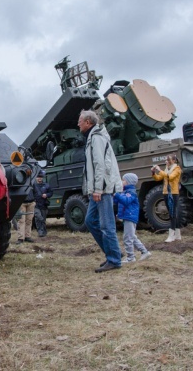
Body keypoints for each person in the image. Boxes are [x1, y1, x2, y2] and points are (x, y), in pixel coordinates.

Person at [78, 110, 123, 273]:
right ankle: (114, 252)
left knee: (106, 225)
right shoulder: (92, 137)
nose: (78, 124)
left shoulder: (96, 138)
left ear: (88, 122)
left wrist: (98, 188)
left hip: (102, 189)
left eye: (80, 121)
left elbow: (100, 165)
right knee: (90, 221)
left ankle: (114, 259)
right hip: (97, 189)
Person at [114, 174, 151, 263]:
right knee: (132, 237)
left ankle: (131, 257)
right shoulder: (125, 191)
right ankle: (144, 252)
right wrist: (115, 196)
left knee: (127, 238)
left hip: (130, 217)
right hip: (127, 216)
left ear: (128, 182)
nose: (121, 182)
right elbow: (118, 201)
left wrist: (117, 195)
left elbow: (126, 201)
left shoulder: (131, 192)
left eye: (123, 180)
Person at [152, 154, 183, 242]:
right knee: (172, 213)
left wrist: (159, 170)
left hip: (173, 193)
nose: (166, 162)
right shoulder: (167, 169)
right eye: (166, 160)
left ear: (173, 161)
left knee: (172, 213)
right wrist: (154, 172)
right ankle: (177, 234)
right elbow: (158, 178)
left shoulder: (177, 169)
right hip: (166, 192)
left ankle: (171, 235)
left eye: (168, 160)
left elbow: (170, 177)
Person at [32, 170, 53, 238]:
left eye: (40, 177)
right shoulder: (33, 186)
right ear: (36, 178)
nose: (39, 178)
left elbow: (51, 193)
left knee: (43, 219)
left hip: (44, 205)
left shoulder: (46, 185)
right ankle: (40, 232)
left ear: (42, 178)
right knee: (38, 218)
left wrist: (46, 195)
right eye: (38, 177)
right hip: (36, 205)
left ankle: (43, 231)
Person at [16, 180, 36, 244]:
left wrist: (34, 201)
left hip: (31, 202)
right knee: (21, 220)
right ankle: (21, 238)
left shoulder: (32, 181)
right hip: (21, 203)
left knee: (29, 220)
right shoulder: (19, 179)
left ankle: (28, 236)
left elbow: (36, 191)